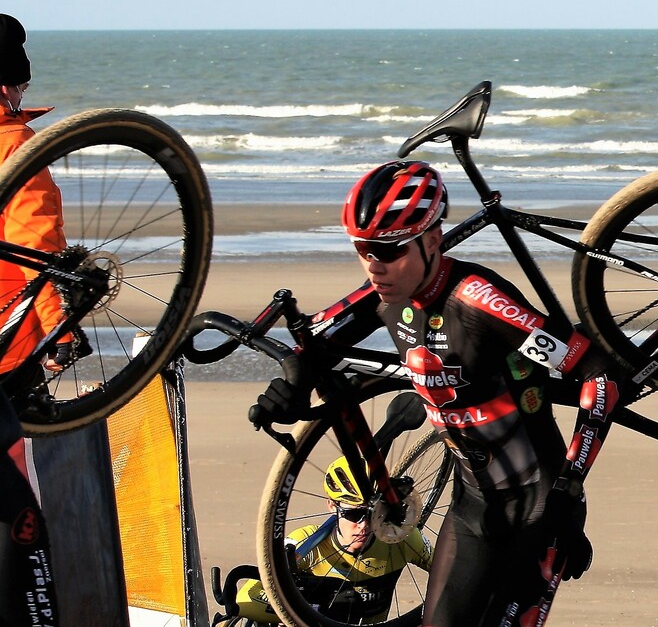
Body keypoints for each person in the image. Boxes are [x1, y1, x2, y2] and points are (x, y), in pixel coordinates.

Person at [256, 160, 629, 626]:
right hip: (472, 506)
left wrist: (568, 496)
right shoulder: (385, 298)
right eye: (363, 249)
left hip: (539, 507)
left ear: (432, 240)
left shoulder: (480, 303)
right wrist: (290, 387)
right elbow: (313, 348)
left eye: (389, 251)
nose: (375, 267)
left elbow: (599, 376)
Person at [0, 13, 62, 627]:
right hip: (8, 358)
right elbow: (38, 251)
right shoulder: (15, 149)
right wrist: (61, 335)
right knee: (22, 527)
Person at [219, 456, 433, 626]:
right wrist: (316, 605)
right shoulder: (305, 544)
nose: (364, 525)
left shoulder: (402, 538)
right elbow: (248, 597)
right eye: (353, 514)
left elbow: (454, 572)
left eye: (373, 514)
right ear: (332, 505)